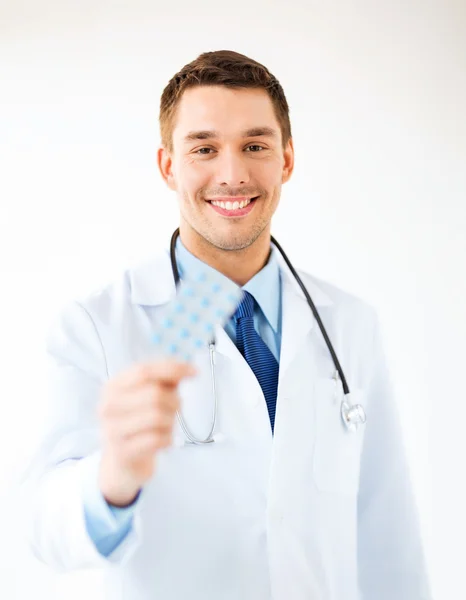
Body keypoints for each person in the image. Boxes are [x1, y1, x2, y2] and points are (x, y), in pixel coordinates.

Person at [20, 50, 432, 600]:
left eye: (255, 146)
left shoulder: (350, 326)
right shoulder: (97, 326)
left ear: (286, 159)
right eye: (205, 148)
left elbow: (387, 537)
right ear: (169, 166)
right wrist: (111, 479)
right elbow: (42, 526)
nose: (233, 174)